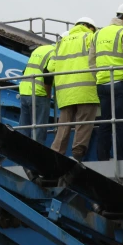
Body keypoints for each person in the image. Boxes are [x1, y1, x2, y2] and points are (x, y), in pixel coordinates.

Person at [89, 3, 123, 161]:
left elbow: (91, 62)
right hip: (121, 84)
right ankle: (122, 160)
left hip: (102, 85)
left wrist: (99, 77)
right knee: (121, 123)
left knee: (105, 122)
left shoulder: (98, 33)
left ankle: (102, 158)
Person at [48, 17, 98, 160]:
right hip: (86, 89)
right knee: (84, 123)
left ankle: (56, 153)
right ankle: (77, 155)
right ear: (91, 27)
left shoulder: (62, 42)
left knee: (64, 125)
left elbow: (51, 67)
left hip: (65, 91)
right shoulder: (91, 37)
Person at [18, 43, 55, 143]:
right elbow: (48, 74)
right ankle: (36, 153)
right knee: (39, 128)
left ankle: (21, 152)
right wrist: (48, 96)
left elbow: (25, 70)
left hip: (24, 91)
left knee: (24, 128)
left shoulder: (39, 49)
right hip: (38, 93)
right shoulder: (55, 53)